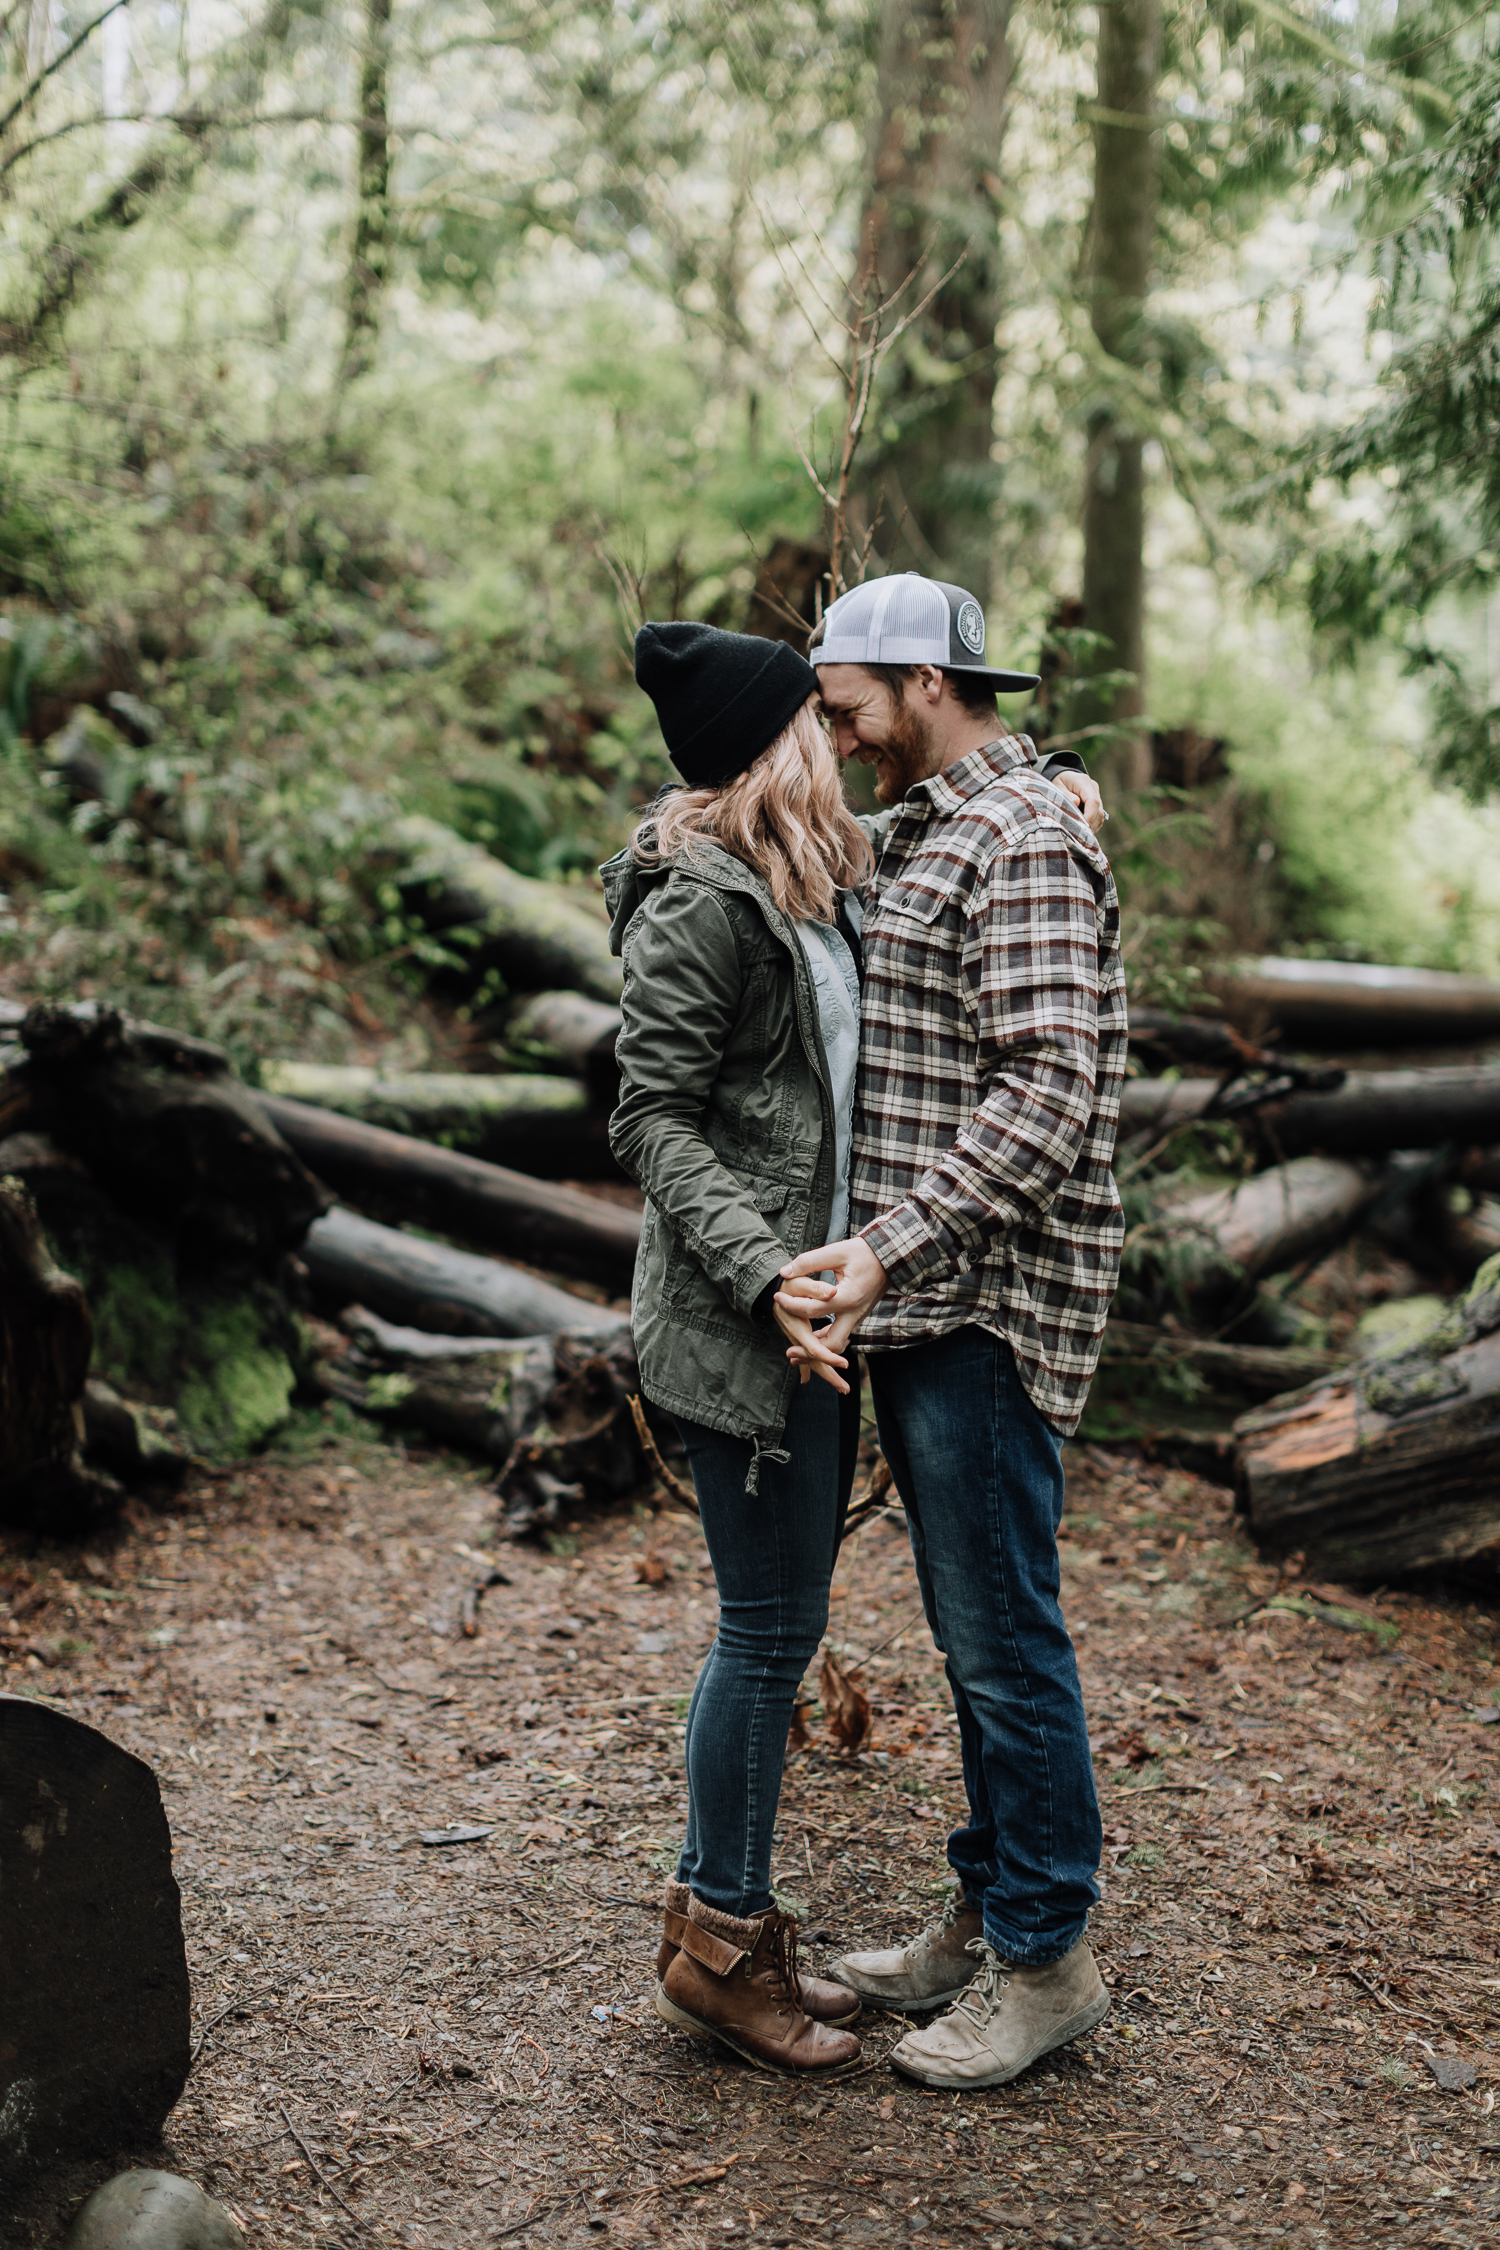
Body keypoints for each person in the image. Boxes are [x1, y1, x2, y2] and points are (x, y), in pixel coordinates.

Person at [602, 614, 1104, 2079]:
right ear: (778, 743)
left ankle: (764, 1933)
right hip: (761, 1323)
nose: (841, 734)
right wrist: (769, 1277)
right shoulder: (707, 894)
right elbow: (649, 1118)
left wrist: (1060, 775)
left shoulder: (825, 871)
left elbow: (987, 800)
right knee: (765, 1636)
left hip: (839, 1319)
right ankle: (721, 1948)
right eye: (815, 717)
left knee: (795, 1629)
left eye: (845, 708)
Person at [774, 572, 1128, 2093]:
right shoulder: (952, 821)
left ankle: (1045, 1962)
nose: (836, 735)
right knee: (974, 1630)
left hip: (983, 1298)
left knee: (1003, 1645)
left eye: (846, 702)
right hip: (924, 1297)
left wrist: (887, 1242)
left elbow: (1049, 1091)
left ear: (921, 678)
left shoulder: (1024, 832)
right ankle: (988, 1911)